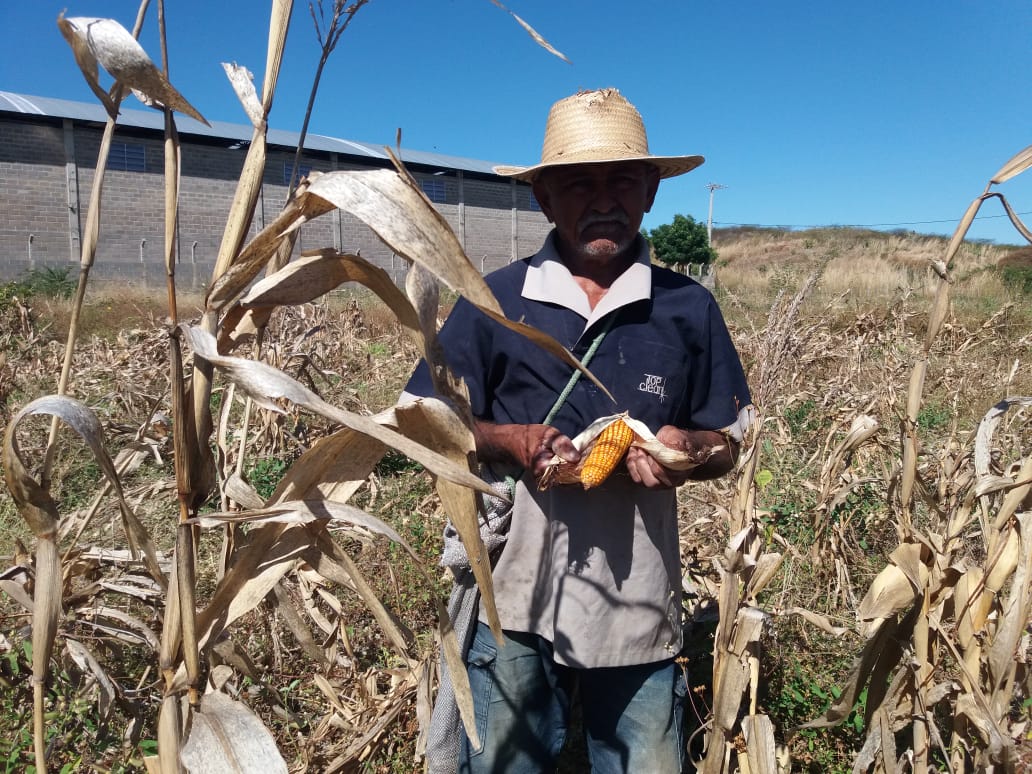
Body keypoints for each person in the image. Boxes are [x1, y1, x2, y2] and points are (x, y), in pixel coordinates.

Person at [404, 88, 754, 774]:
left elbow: (727, 440)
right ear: (543, 198)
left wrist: (688, 451)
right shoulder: (494, 301)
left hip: (637, 598)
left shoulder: (686, 308)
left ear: (650, 190)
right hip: (514, 588)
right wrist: (513, 442)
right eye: (578, 183)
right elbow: (423, 418)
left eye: (622, 179)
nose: (604, 199)